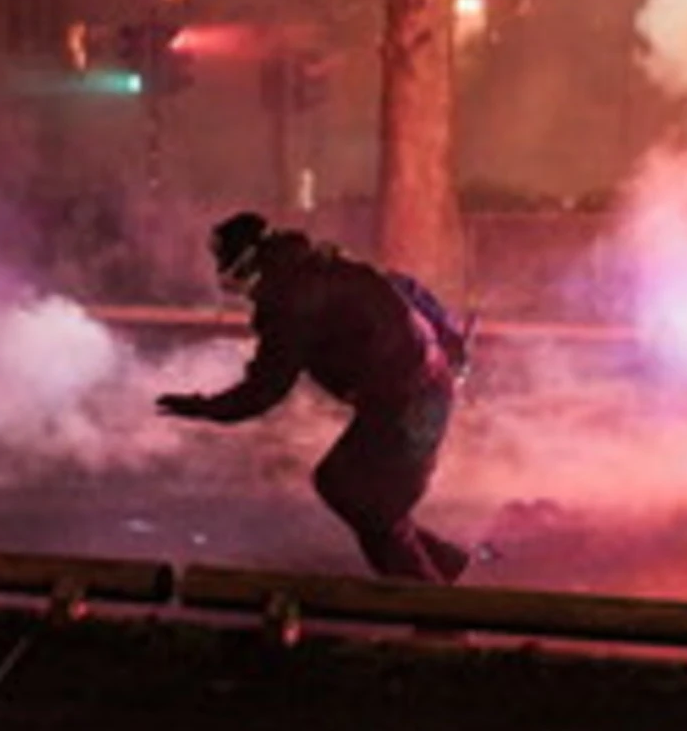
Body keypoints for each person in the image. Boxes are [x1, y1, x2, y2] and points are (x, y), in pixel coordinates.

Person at [156, 211, 474, 584]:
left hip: (412, 401)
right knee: (344, 486)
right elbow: (401, 291)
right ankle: (445, 565)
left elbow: (264, 390)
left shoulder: (290, 302)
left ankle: (429, 600)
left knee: (370, 507)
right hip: (408, 394)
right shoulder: (313, 268)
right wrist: (447, 347)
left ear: (247, 266)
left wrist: (203, 407)